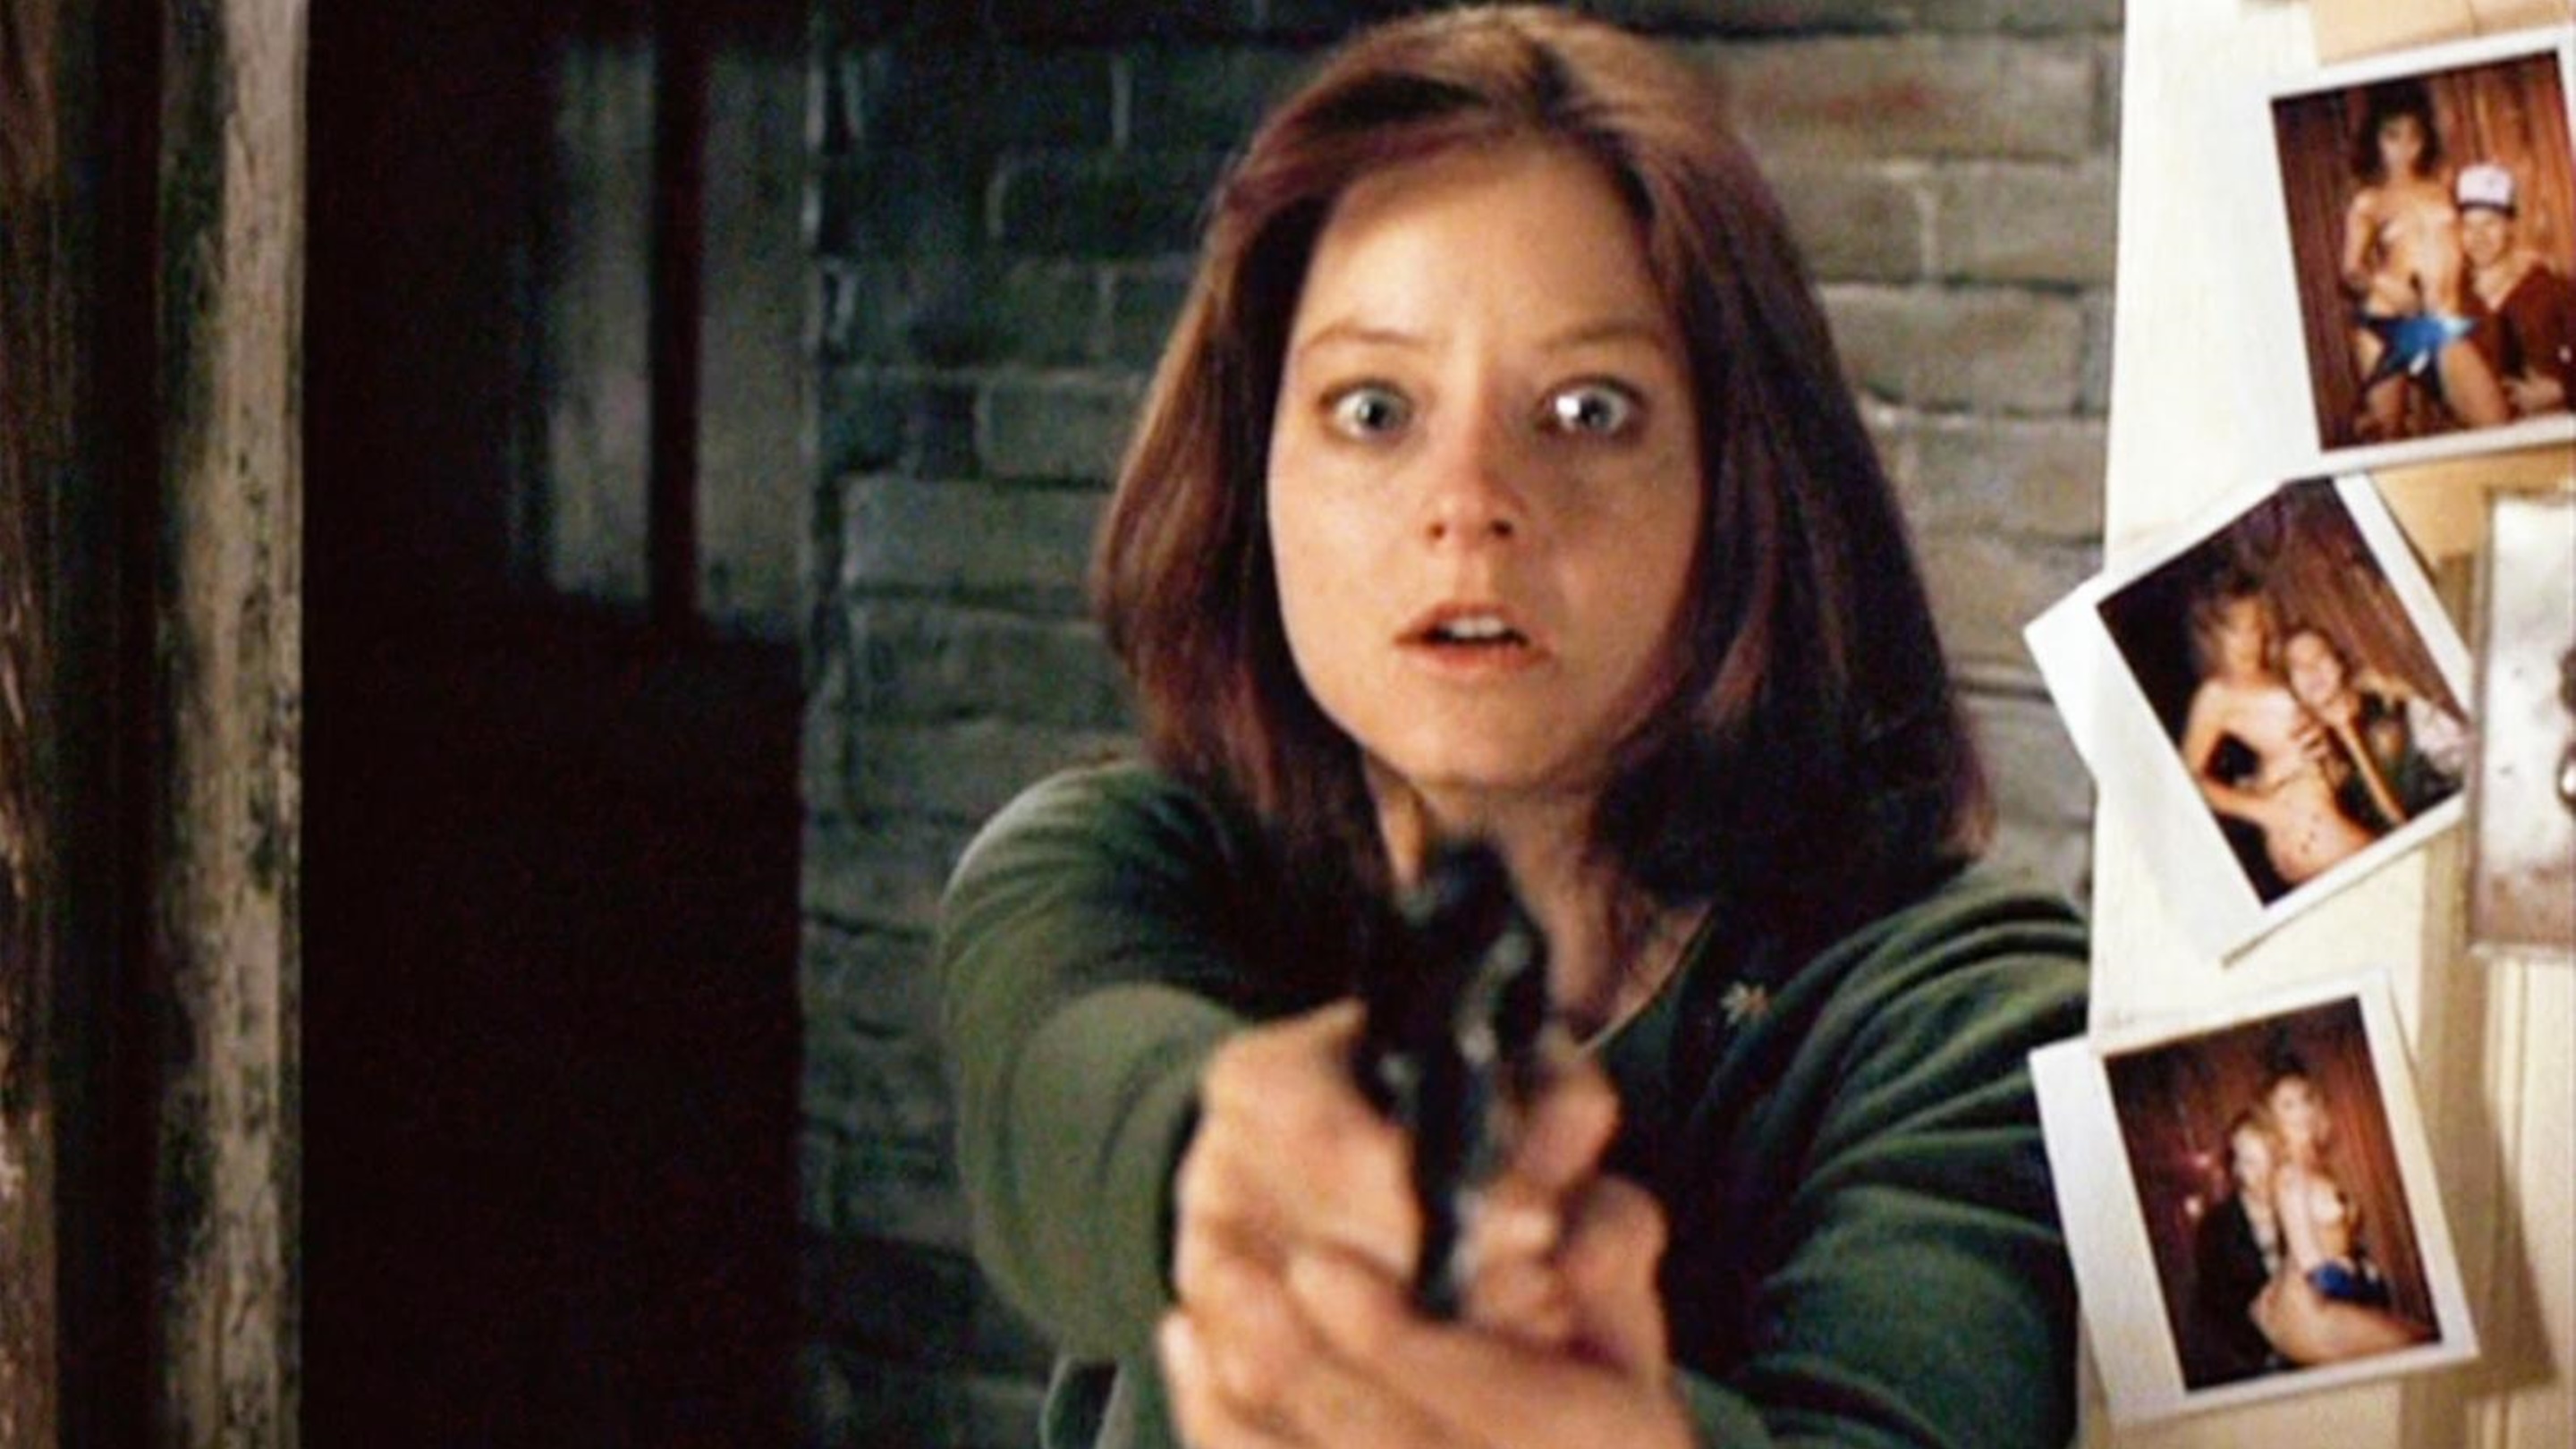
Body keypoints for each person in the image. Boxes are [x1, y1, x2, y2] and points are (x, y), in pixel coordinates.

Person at [938, 10, 2089, 1449]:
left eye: (1589, 410)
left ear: (1739, 483)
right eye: (1373, 409)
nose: (1470, 500)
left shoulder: (1967, 1006)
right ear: (1253, 469)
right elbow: (1063, 1085)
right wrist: (1237, 1171)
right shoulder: (1119, 865)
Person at [2174, 574, 2378, 898]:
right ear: (2211, 634)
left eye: (2255, 626)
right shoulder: (2216, 693)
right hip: (2306, 827)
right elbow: (2186, 781)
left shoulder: (2269, 671)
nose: (2248, 641)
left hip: (2322, 812)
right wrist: (2264, 810)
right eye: (2235, 630)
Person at [2338, 80, 2509, 440]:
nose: (2404, 148)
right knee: (2388, 435)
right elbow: (2350, 270)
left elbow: (2476, 239)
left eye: (2413, 136)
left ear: (2424, 139)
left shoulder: (2443, 189)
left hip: (2442, 321)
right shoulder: (2370, 201)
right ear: (2376, 141)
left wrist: (2512, 263)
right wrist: (2383, 284)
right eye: (2392, 137)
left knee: (2495, 422)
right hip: (2387, 317)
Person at [2278, 621, 2468, 834]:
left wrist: (2408, 692)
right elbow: (2395, 823)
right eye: (2298, 666)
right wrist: (2349, 735)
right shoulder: (2311, 750)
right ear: (2290, 685)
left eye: (2320, 656)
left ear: (2339, 663)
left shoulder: (2386, 698)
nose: (2311, 670)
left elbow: (2460, 752)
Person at [2458, 161, 2576, 419]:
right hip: (2483, 434)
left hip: (2552, 428)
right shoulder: (2455, 300)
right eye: (2468, 226)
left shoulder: (2552, 289)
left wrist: (2560, 390)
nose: (2478, 236)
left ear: (2510, 226)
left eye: (2490, 224)